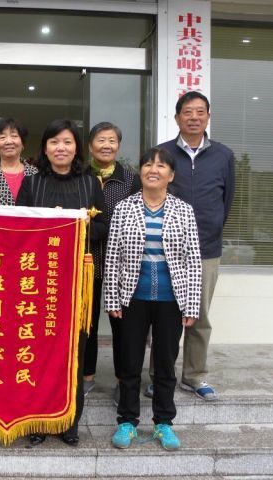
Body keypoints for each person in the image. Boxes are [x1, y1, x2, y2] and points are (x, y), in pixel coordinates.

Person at [16, 118, 108, 446]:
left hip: (77, 282)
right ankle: (38, 420)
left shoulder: (90, 183)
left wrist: (76, 222)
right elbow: (19, 228)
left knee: (74, 353)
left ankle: (69, 421)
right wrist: (49, 221)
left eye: (67, 142)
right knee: (39, 352)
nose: (61, 148)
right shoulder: (32, 183)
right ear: (45, 148)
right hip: (38, 282)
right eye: (54, 142)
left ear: (76, 148)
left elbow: (103, 228)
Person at [105, 147, 202, 451]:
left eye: (161, 166)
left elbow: (193, 260)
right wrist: (112, 299)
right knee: (130, 362)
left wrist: (192, 304)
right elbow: (113, 257)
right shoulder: (124, 208)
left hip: (171, 300)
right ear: (141, 172)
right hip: (132, 297)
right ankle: (127, 421)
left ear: (171, 175)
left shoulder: (183, 210)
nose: (153, 169)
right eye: (148, 164)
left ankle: (163, 422)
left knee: (165, 364)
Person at [146, 91, 235, 402]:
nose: (194, 117)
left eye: (200, 112)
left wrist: (210, 230)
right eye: (187, 112)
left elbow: (226, 201)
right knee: (165, 316)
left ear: (208, 117)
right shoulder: (163, 153)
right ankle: (159, 377)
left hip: (207, 249)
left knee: (200, 316)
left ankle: (195, 376)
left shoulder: (223, 155)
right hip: (167, 248)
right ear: (177, 118)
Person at [84, 122, 141, 401]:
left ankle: (123, 379)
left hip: (121, 264)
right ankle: (86, 376)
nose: (106, 145)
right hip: (87, 261)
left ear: (118, 146)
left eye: (112, 140)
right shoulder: (80, 177)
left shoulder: (130, 180)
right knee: (87, 322)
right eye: (100, 140)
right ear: (90, 146)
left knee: (123, 325)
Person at [0, 117, 38, 205]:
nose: (8, 141)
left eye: (14, 136)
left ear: (22, 143)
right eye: (2, 137)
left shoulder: (36, 174)